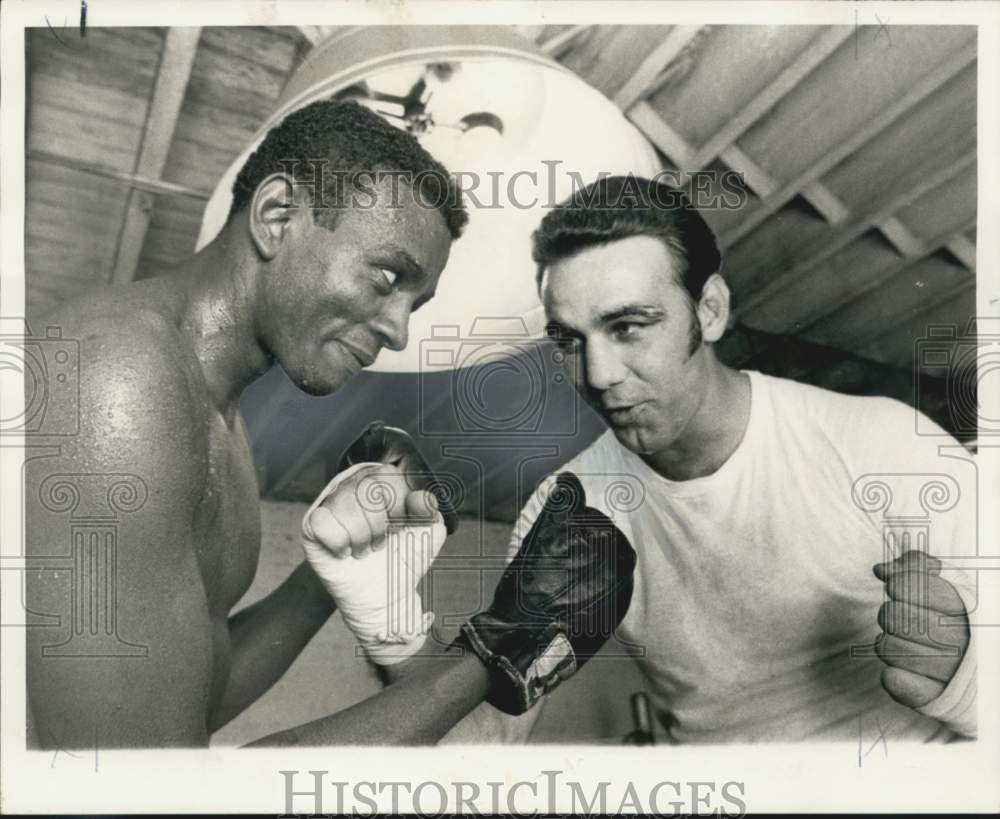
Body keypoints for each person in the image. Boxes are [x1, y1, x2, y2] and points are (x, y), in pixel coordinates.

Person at [24, 101, 636, 748]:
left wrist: (329, 573)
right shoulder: (115, 379)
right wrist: (495, 652)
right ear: (277, 216)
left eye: (415, 304)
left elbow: (187, 703)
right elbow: (147, 789)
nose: (399, 331)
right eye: (386, 275)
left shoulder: (217, 420)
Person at [454, 175, 977, 744]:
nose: (598, 375)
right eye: (569, 341)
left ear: (710, 310)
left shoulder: (884, 444)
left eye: (627, 327)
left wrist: (965, 677)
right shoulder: (566, 508)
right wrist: (386, 621)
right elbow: (492, 734)